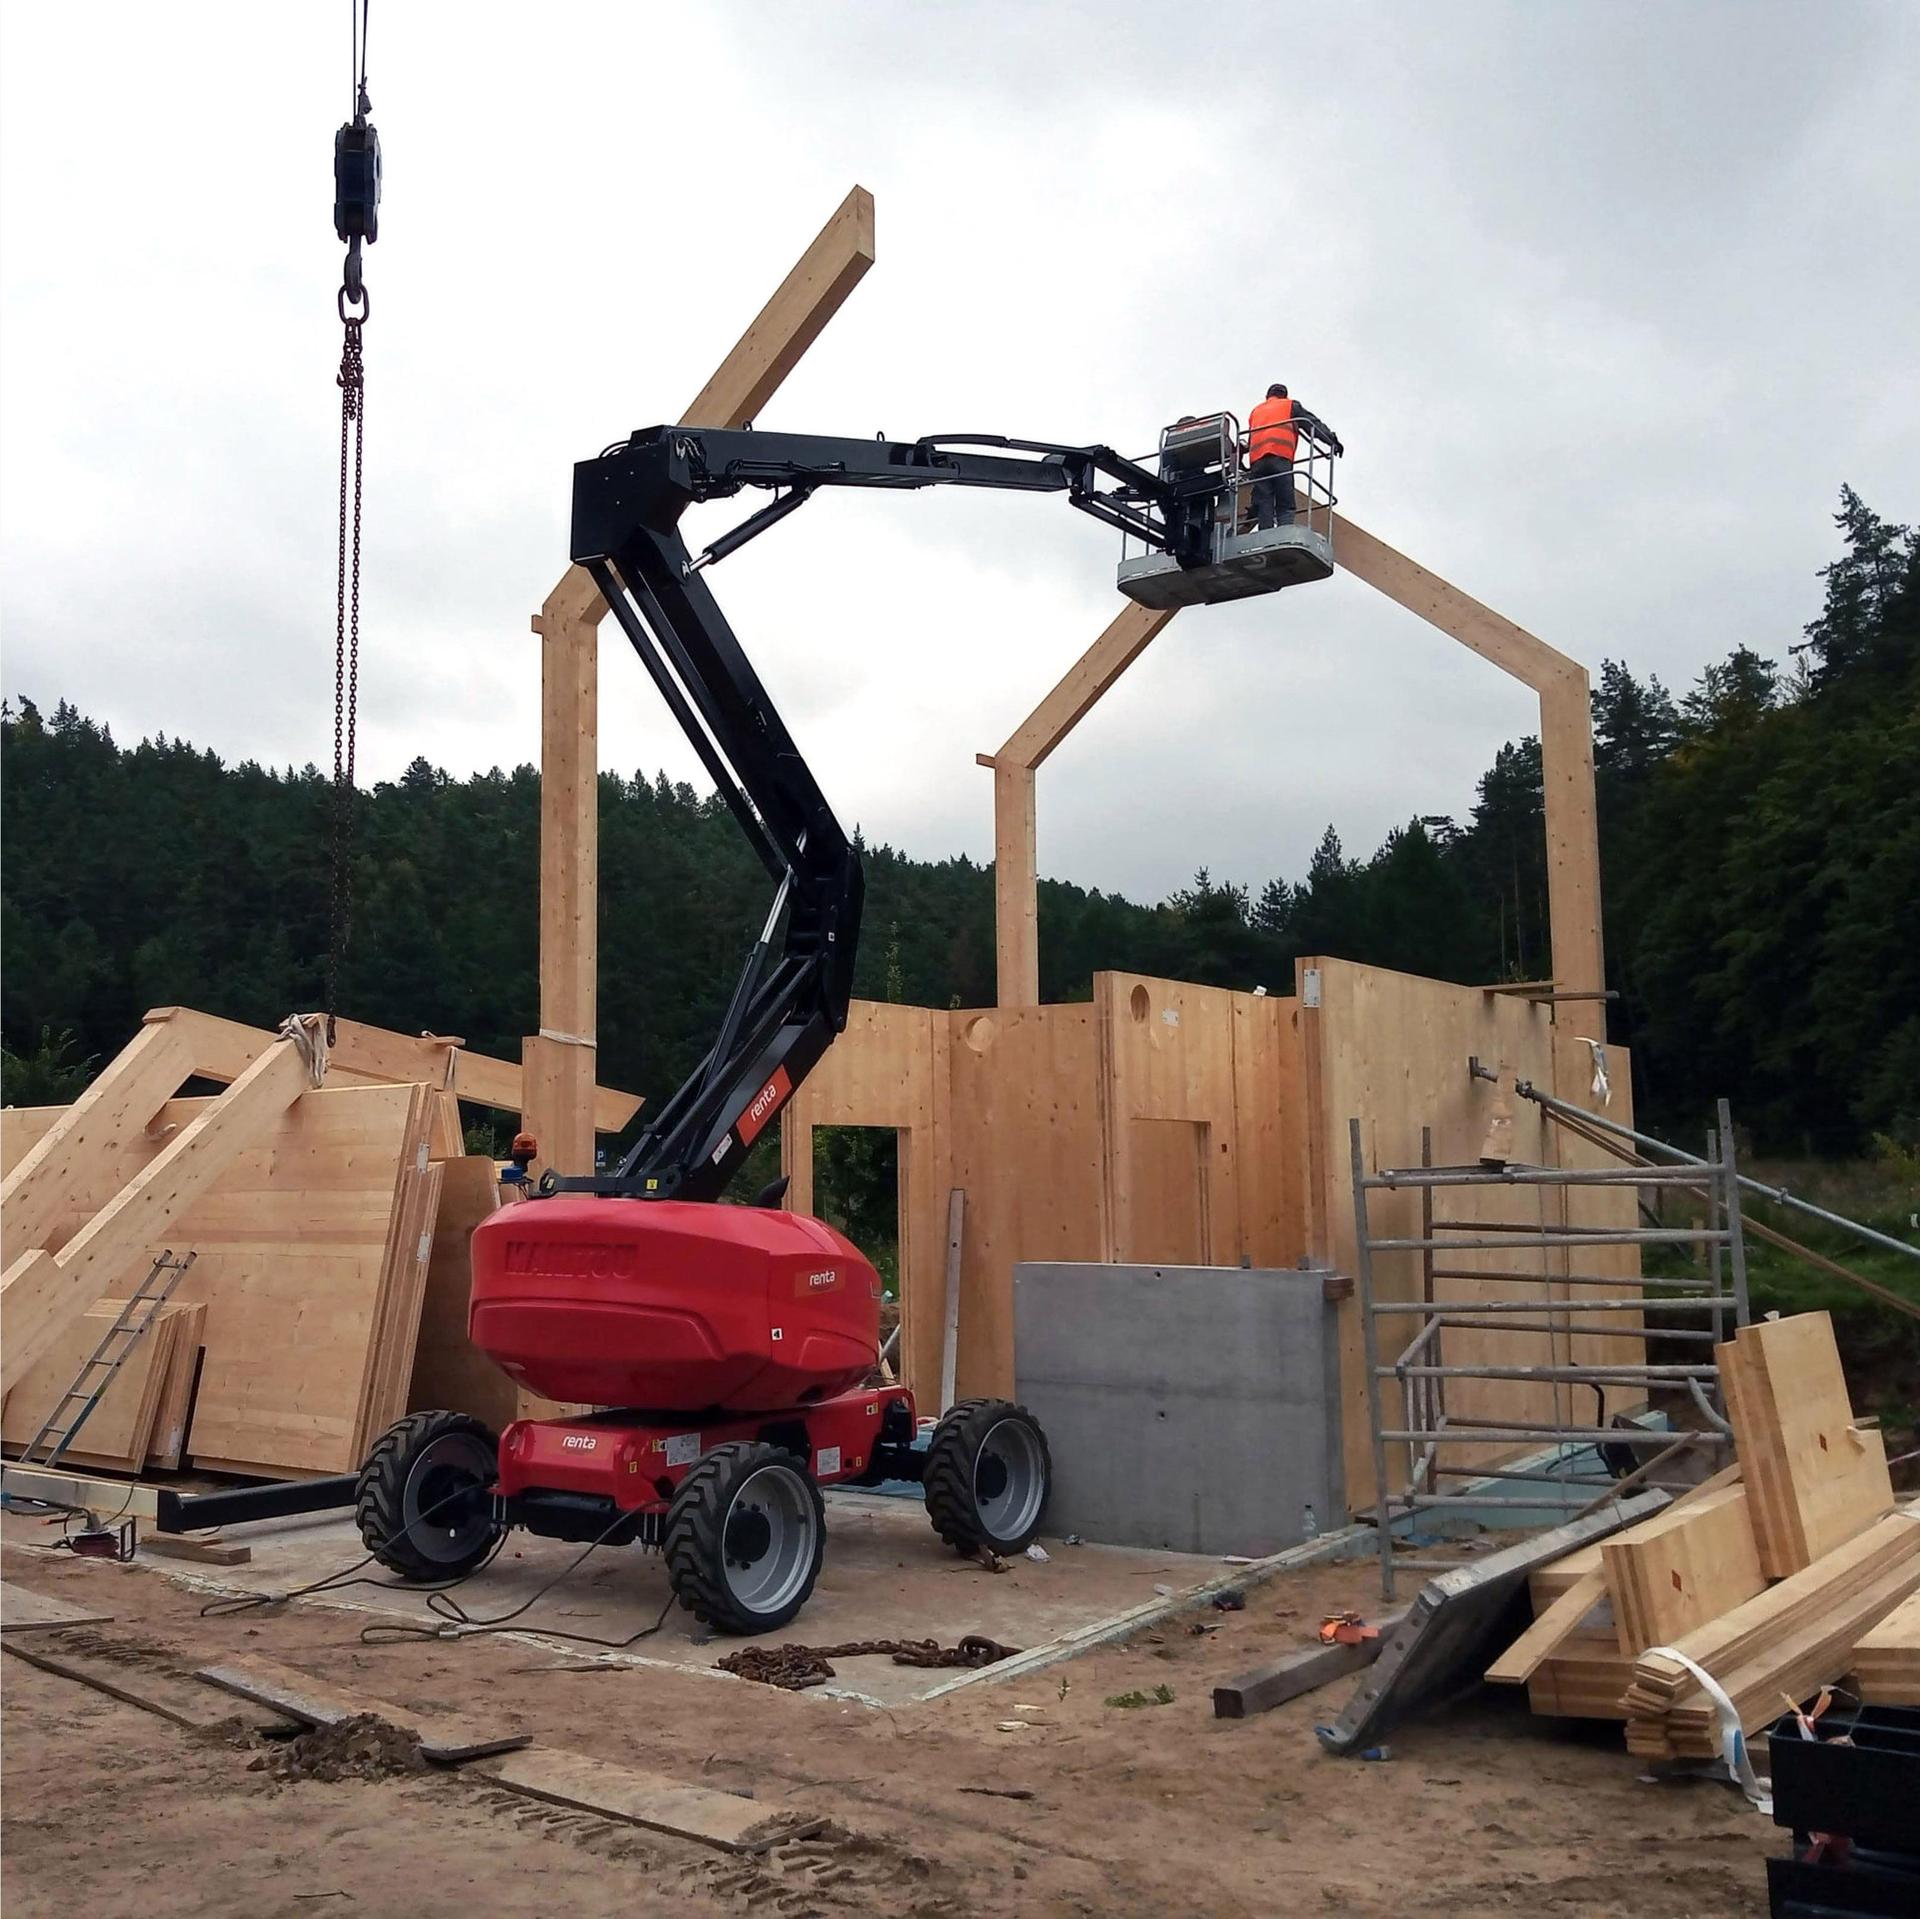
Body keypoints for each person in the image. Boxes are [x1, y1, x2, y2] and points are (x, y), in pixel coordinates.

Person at [1245, 384, 1343, 531]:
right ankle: (1284, 531)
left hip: (1257, 461)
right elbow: (1311, 424)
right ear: (1285, 395)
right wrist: (1331, 440)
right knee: (1285, 499)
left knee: (1264, 499)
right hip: (1280, 457)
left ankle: (1265, 532)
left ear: (1268, 396)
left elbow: (1251, 437)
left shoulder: (1256, 411)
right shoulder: (1289, 405)